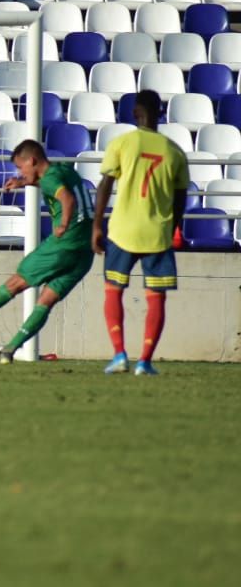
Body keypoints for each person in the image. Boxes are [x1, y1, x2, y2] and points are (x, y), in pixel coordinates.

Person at [0, 140, 95, 364]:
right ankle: (8, 351)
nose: (20, 172)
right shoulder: (64, 170)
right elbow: (52, 184)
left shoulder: (51, 179)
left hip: (64, 244)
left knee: (16, 282)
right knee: (45, 301)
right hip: (85, 250)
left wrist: (63, 224)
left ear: (32, 161)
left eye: (20, 167)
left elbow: (67, 198)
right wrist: (23, 182)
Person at [92, 90, 188, 376]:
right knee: (156, 297)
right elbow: (180, 198)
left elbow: (105, 185)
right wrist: (172, 227)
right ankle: (144, 361)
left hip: (122, 230)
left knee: (113, 290)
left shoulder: (121, 143)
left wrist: (96, 225)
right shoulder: (174, 151)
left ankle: (119, 355)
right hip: (157, 232)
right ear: (161, 113)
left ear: (135, 113)